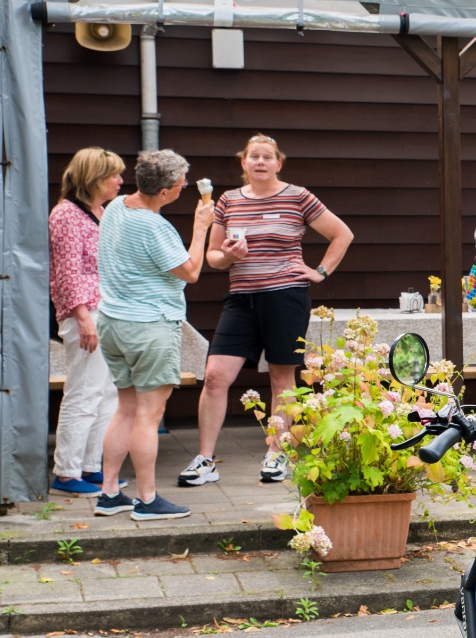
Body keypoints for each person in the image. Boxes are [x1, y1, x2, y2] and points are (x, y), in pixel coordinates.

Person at [181, 134, 353, 487]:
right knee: (215, 376)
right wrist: (229, 256)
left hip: (286, 297)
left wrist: (319, 272)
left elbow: (342, 234)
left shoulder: (297, 196)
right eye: (253, 156)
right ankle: (204, 459)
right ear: (243, 163)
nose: (260, 162)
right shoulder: (227, 201)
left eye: (267, 157)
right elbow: (214, 257)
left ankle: (276, 452)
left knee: (280, 378)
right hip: (241, 300)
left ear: (278, 163)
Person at [93, 150, 212, 520]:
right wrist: (201, 228)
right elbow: (190, 272)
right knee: (148, 414)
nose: (184, 189)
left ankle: (110, 493)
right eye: (180, 185)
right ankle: (146, 500)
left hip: (112, 323)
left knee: (126, 409)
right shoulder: (154, 227)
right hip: (148, 328)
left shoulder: (114, 207)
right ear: (164, 192)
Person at [49, 148, 127, 495]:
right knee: (83, 392)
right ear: (93, 178)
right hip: (85, 314)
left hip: (108, 311)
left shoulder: (104, 212)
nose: (120, 181)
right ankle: (66, 473)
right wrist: (83, 318)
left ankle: (91, 465)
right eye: (114, 175)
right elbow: (66, 272)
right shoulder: (67, 214)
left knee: (108, 392)